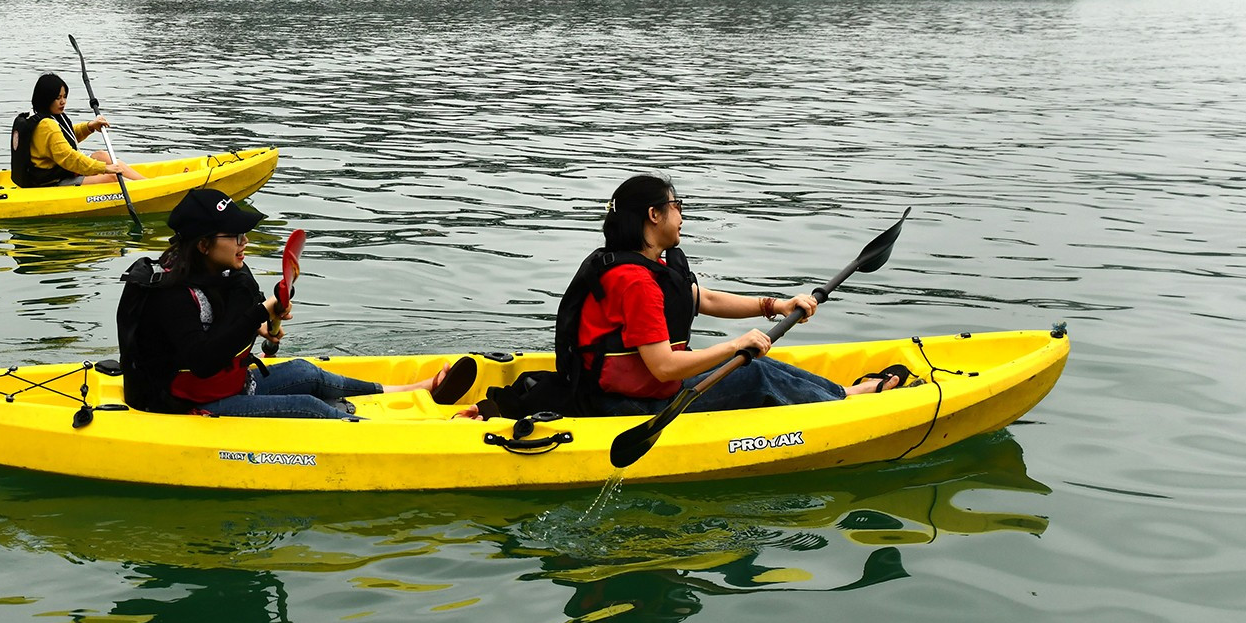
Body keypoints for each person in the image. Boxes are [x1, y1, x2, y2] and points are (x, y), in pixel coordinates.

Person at [556, 173, 911, 417]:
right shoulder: (635, 281)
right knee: (755, 375)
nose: (682, 214)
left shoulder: (648, 266)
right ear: (654, 215)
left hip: (642, 390)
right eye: (676, 205)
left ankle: (845, 394)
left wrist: (775, 305)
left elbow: (703, 299)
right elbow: (663, 368)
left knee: (757, 364)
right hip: (627, 406)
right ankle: (850, 406)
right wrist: (733, 347)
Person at [117, 188, 475, 419]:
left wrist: (266, 320)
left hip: (230, 385)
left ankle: (417, 389)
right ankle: (425, 430)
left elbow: (233, 323)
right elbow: (203, 360)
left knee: (305, 372)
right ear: (203, 245)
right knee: (308, 407)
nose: (245, 242)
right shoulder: (171, 294)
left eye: (246, 233)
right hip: (189, 406)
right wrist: (258, 313)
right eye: (235, 235)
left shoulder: (225, 272)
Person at [10, 73, 148, 188]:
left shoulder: (46, 117)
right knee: (112, 178)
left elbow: (63, 138)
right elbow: (70, 158)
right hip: (52, 182)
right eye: (58, 98)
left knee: (101, 155)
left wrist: (89, 127)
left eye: (64, 96)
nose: (63, 102)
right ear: (46, 99)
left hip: (62, 171)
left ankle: (147, 184)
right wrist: (104, 169)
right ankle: (146, 188)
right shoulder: (46, 125)